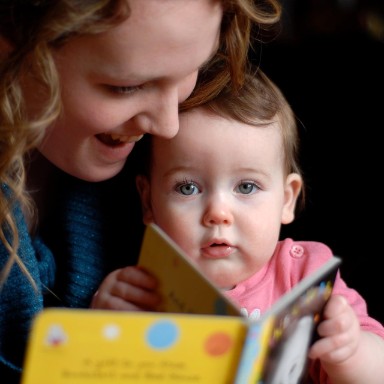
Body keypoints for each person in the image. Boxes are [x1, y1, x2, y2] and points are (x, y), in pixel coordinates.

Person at [0, 0, 282, 382]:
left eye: (191, 70)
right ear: (10, 50)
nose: (167, 126)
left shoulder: (174, 152)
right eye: (126, 86)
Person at [93, 70, 384, 383]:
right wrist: (104, 329)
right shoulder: (141, 292)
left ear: (287, 200)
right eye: (188, 188)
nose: (218, 213)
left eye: (246, 187)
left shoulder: (304, 275)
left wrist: (349, 351)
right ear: (148, 202)